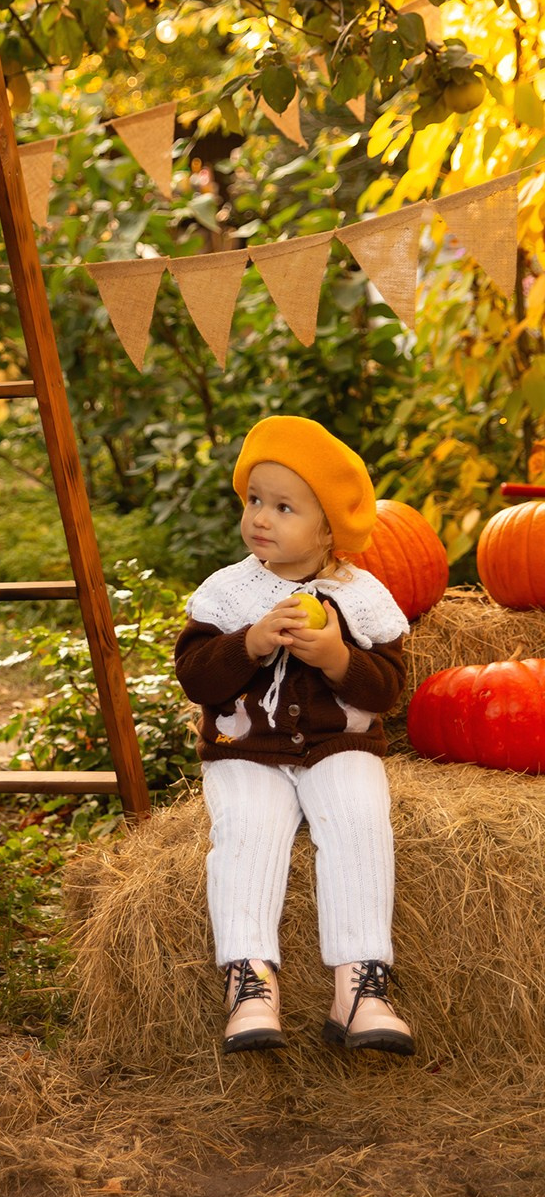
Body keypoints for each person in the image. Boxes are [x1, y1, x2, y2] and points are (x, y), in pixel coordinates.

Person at [173, 415, 415, 1057]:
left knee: (362, 820)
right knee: (247, 832)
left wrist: (337, 655)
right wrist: (248, 645)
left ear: (329, 528)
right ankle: (250, 982)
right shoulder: (229, 591)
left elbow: (386, 689)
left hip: (341, 746)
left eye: (284, 507)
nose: (261, 518)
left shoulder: (360, 597)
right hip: (246, 751)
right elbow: (197, 678)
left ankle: (360, 989)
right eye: (254, 500)